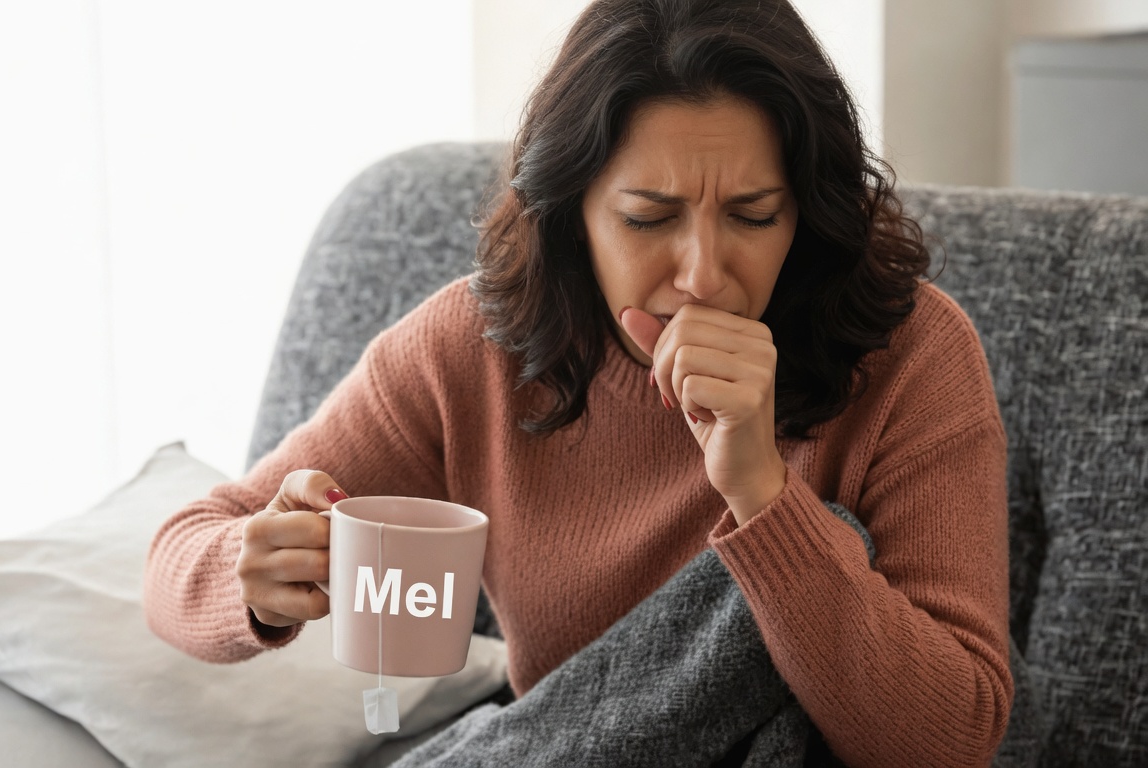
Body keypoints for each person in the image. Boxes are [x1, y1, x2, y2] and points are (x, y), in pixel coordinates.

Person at [144, 0, 1013, 764]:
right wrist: (253, 574)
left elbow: (952, 741)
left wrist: (763, 497)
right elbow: (181, 553)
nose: (703, 275)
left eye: (754, 215)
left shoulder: (909, 356)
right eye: (648, 218)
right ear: (572, 217)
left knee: (825, 543)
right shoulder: (477, 347)